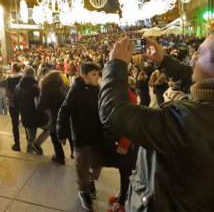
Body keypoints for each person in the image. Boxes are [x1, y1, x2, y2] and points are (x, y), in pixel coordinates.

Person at [99, 34, 214, 212]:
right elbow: (195, 78)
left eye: (200, 53)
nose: (194, 57)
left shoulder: (187, 121)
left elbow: (113, 111)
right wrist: (163, 60)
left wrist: (115, 65)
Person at [57, 62, 104, 211]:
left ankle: (90, 181)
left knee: (97, 165)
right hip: (81, 136)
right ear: (84, 76)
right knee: (82, 166)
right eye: (94, 74)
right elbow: (64, 111)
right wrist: (61, 132)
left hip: (97, 135)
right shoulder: (75, 91)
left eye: (98, 74)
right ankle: (83, 191)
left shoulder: (98, 89)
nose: (97, 77)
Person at [14, 67, 49, 155]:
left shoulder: (17, 87)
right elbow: (39, 103)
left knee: (30, 138)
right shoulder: (35, 87)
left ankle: (29, 153)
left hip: (25, 117)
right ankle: (37, 144)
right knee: (49, 128)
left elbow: (15, 103)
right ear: (33, 75)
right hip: (36, 116)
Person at [38, 71, 69, 165]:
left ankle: (60, 157)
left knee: (54, 137)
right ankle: (74, 156)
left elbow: (41, 105)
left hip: (54, 115)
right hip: (66, 115)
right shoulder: (63, 86)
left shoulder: (46, 87)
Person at [0, 63, 22, 151]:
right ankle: (30, 143)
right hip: (23, 103)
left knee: (15, 124)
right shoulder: (23, 78)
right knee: (26, 124)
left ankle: (17, 144)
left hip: (12, 104)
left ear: (13, 69)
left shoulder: (9, 79)